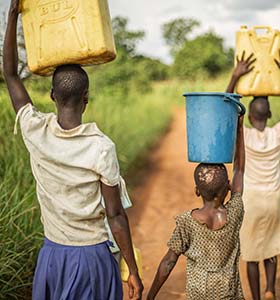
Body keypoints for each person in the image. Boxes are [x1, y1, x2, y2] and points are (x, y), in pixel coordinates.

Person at [3, 1, 143, 299]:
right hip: (92, 258)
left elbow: (12, 76)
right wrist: (132, 269)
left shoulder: (35, 130)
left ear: (52, 95)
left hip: (52, 256)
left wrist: (13, 14)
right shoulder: (101, 147)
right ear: (86, 98)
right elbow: (116, 216)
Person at [146, 113, 245, 299]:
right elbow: (239, 169)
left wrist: (150, 296)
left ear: (197, 191)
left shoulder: (186, 222)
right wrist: (239, 128)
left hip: (199, 293)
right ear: (228, 188)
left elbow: (168, 262)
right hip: (229, 292)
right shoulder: (235, 211)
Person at [226, 51, 280, 300]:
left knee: (250, 254)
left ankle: (258, 297)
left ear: (249, 117)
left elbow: (225, 110)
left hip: (251, 201)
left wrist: (236, 76)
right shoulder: (277, 134)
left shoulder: (243, 136)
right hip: (274, 199)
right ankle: (271, 288)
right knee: (271, 245)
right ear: (269, 116)